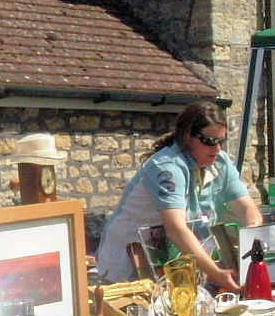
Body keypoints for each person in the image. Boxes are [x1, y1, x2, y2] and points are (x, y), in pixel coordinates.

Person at [96, 100, 261, 292]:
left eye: (221, 141)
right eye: (209, 141)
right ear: (187, 137)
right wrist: (216, 273)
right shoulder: (167, 167)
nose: (217, 149)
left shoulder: (220, 162)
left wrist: (252, 235)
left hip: (172, 259)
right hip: (130, 263)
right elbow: (176, 229)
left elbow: (246, 208)